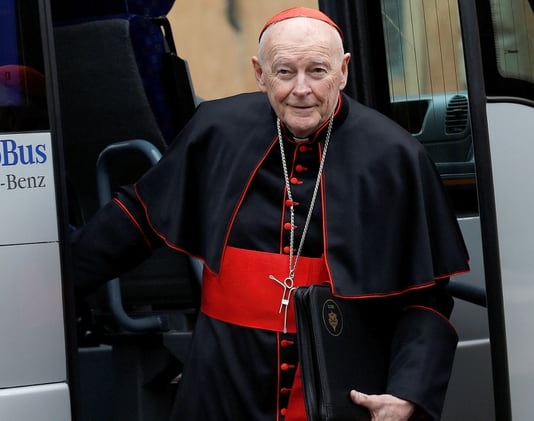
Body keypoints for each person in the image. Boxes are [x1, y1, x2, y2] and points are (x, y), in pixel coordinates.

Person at [70, 6, 469, 421]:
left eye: (317, 71)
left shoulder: (395, 156)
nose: (302, 89)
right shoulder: (218, 129)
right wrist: (53, 285)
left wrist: (406, 392)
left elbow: (426, 298)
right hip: (220, 386)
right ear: (260, 74)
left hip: (335, 392)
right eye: (284, 72)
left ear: (344, 71)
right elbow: (139, 218)